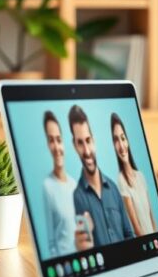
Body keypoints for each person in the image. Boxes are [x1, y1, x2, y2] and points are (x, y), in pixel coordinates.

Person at [69, 104, 135, 250]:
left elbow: (129, 234)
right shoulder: (77, 198)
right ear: (74, 146)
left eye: (88, 140)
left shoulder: (114, 189)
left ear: (94, 141)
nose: (86, 151)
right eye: (80, 143)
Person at [110, 113, 156, 236]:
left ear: (127, 140)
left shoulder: (140, 176)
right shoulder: (121, 180)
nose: (121, 145)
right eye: (116, 140)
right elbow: (136, 228)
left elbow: (152, 218)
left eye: (122, 138)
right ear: (114, 146)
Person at [40, 111, 76, 257]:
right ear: (48, 144)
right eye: (51, 140)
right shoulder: (47, 186)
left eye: (58, 140)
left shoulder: (75, 185)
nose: (56, 147)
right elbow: (51, 242)